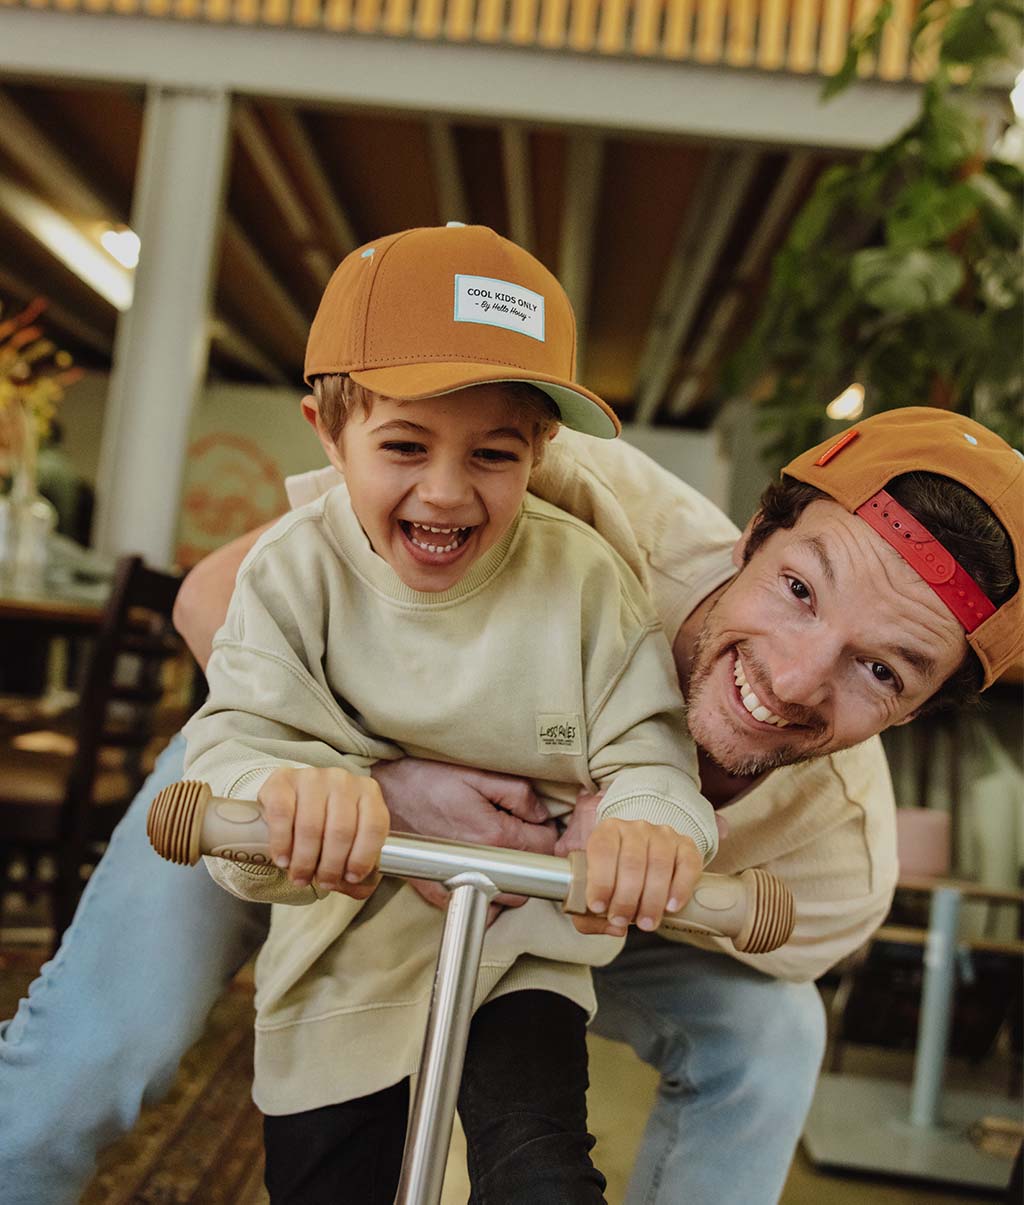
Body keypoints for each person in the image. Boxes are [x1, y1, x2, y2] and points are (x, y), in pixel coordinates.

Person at [0, 389, 1020, 1200]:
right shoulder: (573, 486)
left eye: (882, 670)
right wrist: (381, 783)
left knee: (775, 1036)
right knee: (87, 1060)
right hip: (303, 763)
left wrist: (617, 860)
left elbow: (672, 950)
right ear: (755, 529)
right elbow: (211, 597)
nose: (795, 681)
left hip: (535, 912)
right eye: (799, 588)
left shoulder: (836, 866)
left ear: (920, 707)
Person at [181, 223, 719, 1202]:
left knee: (541, 1172)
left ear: (541, 448)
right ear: (325, 432)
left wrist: (648, 824)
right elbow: (232, 746)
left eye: (493, 453)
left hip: (519, 958)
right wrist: (288, 794)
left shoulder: (589, 582)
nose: (444, 489)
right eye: (402, 445)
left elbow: (653, 758)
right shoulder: (291, 572)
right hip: (341, 963)